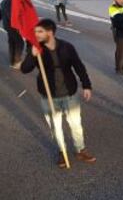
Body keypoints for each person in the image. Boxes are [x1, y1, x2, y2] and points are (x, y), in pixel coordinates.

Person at [20, 19, 96, 169]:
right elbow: (25, 69)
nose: (36, 34)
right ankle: (62, 152)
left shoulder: (67, 47)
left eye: (40, 31)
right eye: (36, 32)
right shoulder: (36, 49)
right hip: (48, 96)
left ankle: (80, 149)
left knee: (75, 125)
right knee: (55, 127)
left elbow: (79, 67)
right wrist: (32, 55)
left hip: (69, 93)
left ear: (50, 32)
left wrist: (87, 86)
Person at [0, 0, 24, 69]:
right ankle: (17, 61)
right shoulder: (10, 1)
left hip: (7, 25)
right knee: (20, 42)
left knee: (12, 42)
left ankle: (12, 61)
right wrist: (18, 25)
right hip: (12, 25)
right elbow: (11, 15)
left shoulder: (3, 1)